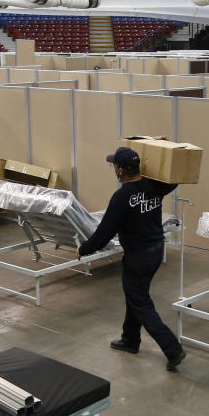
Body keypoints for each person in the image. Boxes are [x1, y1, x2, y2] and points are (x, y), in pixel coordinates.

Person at [78, 146, 186, 371]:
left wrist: (84, 249)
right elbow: (174, 179)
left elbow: (104, 232)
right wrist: (160, 149)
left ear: (119, 171)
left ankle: (173, 349)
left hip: (138, 257)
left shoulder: (122, 197)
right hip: (156, 251)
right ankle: (130, 339)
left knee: (141, 302)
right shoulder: (154, 184)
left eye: (113, 166)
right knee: (135, 295)